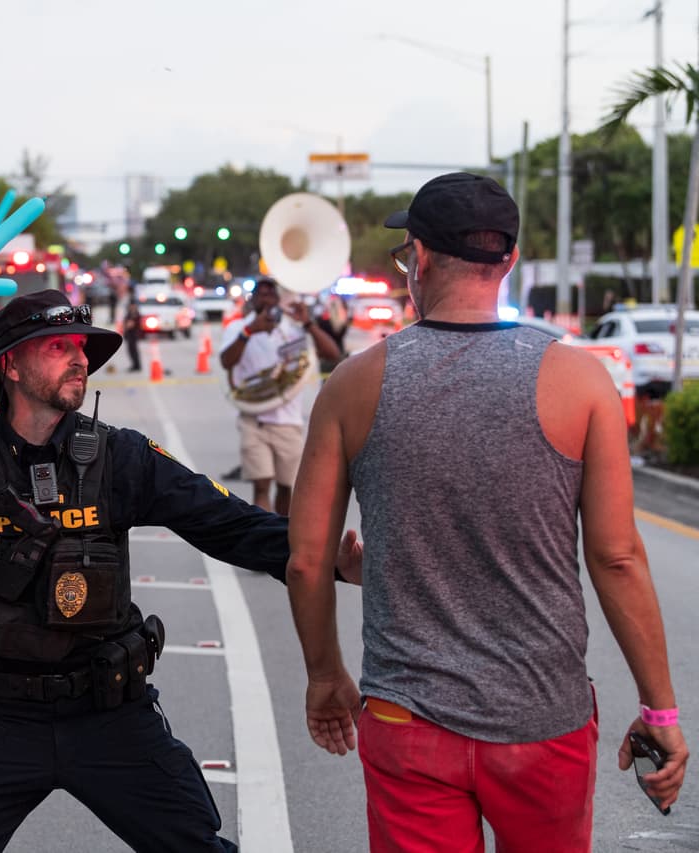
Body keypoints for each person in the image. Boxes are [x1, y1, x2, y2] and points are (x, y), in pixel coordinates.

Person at [0, 289, 362, 853]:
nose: (80, 358)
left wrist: (326, 558)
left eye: (81, 347)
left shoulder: (121, 456)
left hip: (109, 709)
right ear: (10, 366)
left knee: (194, 841)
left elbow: (227, 522)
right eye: (58, 346)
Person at [285, 172, 689, 851]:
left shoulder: (353, 384)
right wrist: (660, 710)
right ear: (508, 260)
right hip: (543, 720)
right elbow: (617, 557)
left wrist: (325, 675)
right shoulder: (581, 380)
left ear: (419, 258)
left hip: (406, 718)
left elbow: (305, 561)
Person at [219, 278, 340, 514]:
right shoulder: (237, 328)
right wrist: (248, 332)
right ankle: (263, 533)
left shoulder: (292, 329)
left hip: (288, 421)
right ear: (252, 299)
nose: (265, 298)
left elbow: (332, 353)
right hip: (253, 419)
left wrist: (307, 323)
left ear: (277, 300)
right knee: (261, 486)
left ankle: (280, 534)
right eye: (260, 294)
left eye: (270, 294)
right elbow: (226, 362)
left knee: (286, 487)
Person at [121, 297, 142, 372]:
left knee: (133, 350)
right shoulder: (130, 313)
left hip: (133, 335)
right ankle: (135, 365)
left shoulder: (134, 313)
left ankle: (137, 366)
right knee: (131, 350)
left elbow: (130, 324)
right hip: (129, 335)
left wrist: (126, 326)